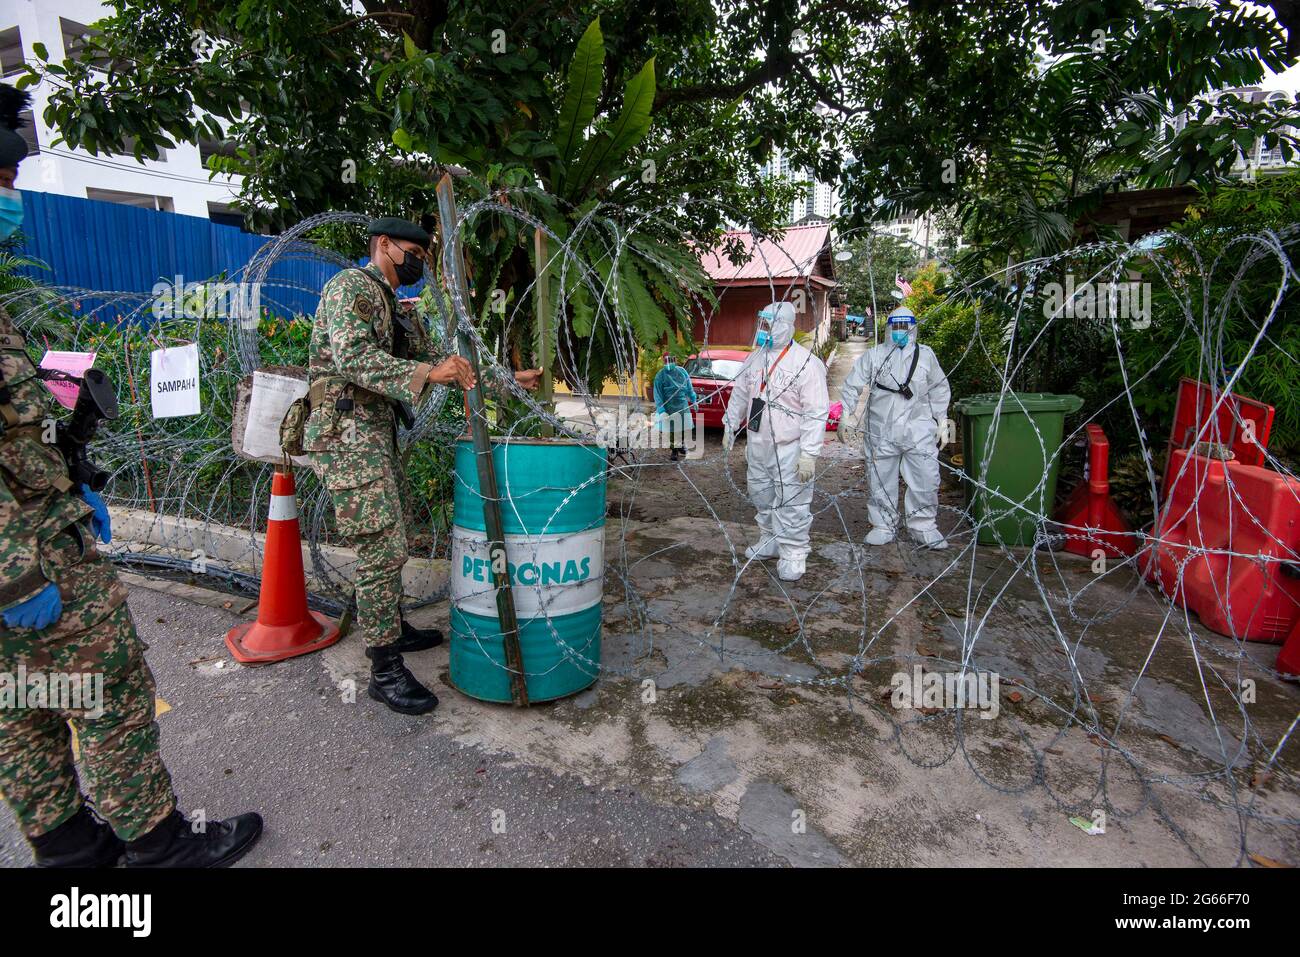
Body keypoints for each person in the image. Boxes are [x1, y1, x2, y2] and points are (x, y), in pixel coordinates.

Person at [0, 85, 263, 867]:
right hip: (31, 563)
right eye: (5, 186)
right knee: (107, 692)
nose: (14, 202)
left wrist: (67, 477)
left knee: (25, 706)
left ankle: (72, 850)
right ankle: (159, 846)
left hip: (39, 535)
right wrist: (14, 576)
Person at [303, 217, 540, 716]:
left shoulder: (393, 305)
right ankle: (383, 669)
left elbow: (444, 363)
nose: (417, 261)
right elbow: (351, 356)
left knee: (391, 537)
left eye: (422, 254)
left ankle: (392, 624)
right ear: (383, 244)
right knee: (381, 548)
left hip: (372, 435)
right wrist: (428, 372)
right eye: (412, 251)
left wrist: (507, 378)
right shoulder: (350, 287)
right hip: (345, 436)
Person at [723, 302, 829, 582]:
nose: (766, 330)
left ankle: (794, 551)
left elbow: (816, 411)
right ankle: (769, 538)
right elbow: (741, 394)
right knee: (761, 493)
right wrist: (730, 425)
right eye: (764, 323)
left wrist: (809, 453)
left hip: (789, 445)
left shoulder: (806, 363)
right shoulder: (755, 359)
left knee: (791, 499)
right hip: (758, 442)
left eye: (772, 324)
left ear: (787, 325)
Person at [838, 305, 951, 549]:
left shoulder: (926, 356)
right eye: (895, 326)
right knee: (880, 478)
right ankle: (883, 524)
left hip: (918, 428)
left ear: (913, 328)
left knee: (925, 477)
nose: (900, 331)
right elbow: (853, 384)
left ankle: (924, 526)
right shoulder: (875, 355)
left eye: (904, 326)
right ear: (889, 328)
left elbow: (939, 387)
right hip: (881, 428)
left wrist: (941, 420)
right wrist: (847, 414)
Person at [652, 353, 697, 460]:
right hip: (669, 406)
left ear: (675, 360)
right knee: (672, 429)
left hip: (682, 404)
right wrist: (662, 410)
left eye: (671, 360)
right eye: (666, 361)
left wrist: (694, 400)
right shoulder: (660, 375)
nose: (669, 363)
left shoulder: (682, 372)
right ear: (663, 361)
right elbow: (657, 394)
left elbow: (689, 387)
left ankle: (680, 445)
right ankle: (674, 450)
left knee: (682, 427)